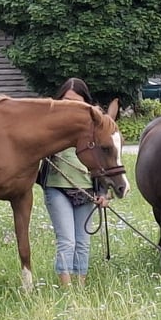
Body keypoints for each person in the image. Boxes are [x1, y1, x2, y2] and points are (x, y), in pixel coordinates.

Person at [39, 77, 111, 287]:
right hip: (57, 187)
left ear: (86, 103)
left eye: (77, 102)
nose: (71, 106)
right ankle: (66, 289)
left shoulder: (95, 127)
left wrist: (103, 192)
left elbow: (104, 161)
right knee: (67, 241)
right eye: (67, 101)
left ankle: (80, 287)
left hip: (86, 190)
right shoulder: (50, 125)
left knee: (83, 242)